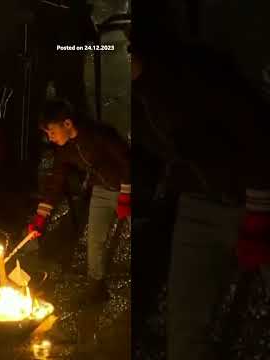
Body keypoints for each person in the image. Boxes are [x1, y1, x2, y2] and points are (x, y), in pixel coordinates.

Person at [130, 30, 270, 360]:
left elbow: (257, 133)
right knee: (187, 330)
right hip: (197, 204)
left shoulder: (195, 75)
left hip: (251, 196)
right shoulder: (134, 99)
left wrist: (258, 212)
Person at [27, 98, 131, 304]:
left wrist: (126, 195)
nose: (50, 138)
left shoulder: (100, 134)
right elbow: (56, 181)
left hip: (126, 187)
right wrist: (40, 218)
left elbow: (127, 160)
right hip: (101, 190)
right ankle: (96, 288)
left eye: (51, 131)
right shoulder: (66, 149)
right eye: (47, 134)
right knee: (95, 240)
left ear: (67, 124)